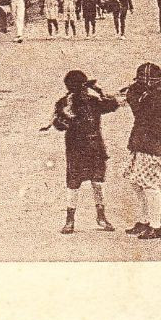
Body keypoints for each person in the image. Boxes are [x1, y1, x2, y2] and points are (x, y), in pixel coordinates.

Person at [50, 68, 120, 234]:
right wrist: (67, 115)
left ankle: (98, 217)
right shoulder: (64, 103)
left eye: (84, 88)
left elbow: (113, 105)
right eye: (81, 88)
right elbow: (58, 125)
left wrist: (100, 92)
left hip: (94, 147)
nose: (83, 91)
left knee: (96, 182)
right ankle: (71, 220)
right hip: (78, 149)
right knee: (74, 184)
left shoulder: (92, 101)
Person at [121, 62, 161, 240]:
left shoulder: (159, 95)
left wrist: (133, 93)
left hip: (152, 144)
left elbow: (139, 109)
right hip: (139, 142)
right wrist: (135, 90)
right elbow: (135, 94)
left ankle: (156, 226)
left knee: (149, 185)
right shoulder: (151, 92)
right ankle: (144, 220)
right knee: (136, 182)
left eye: (142, 81)